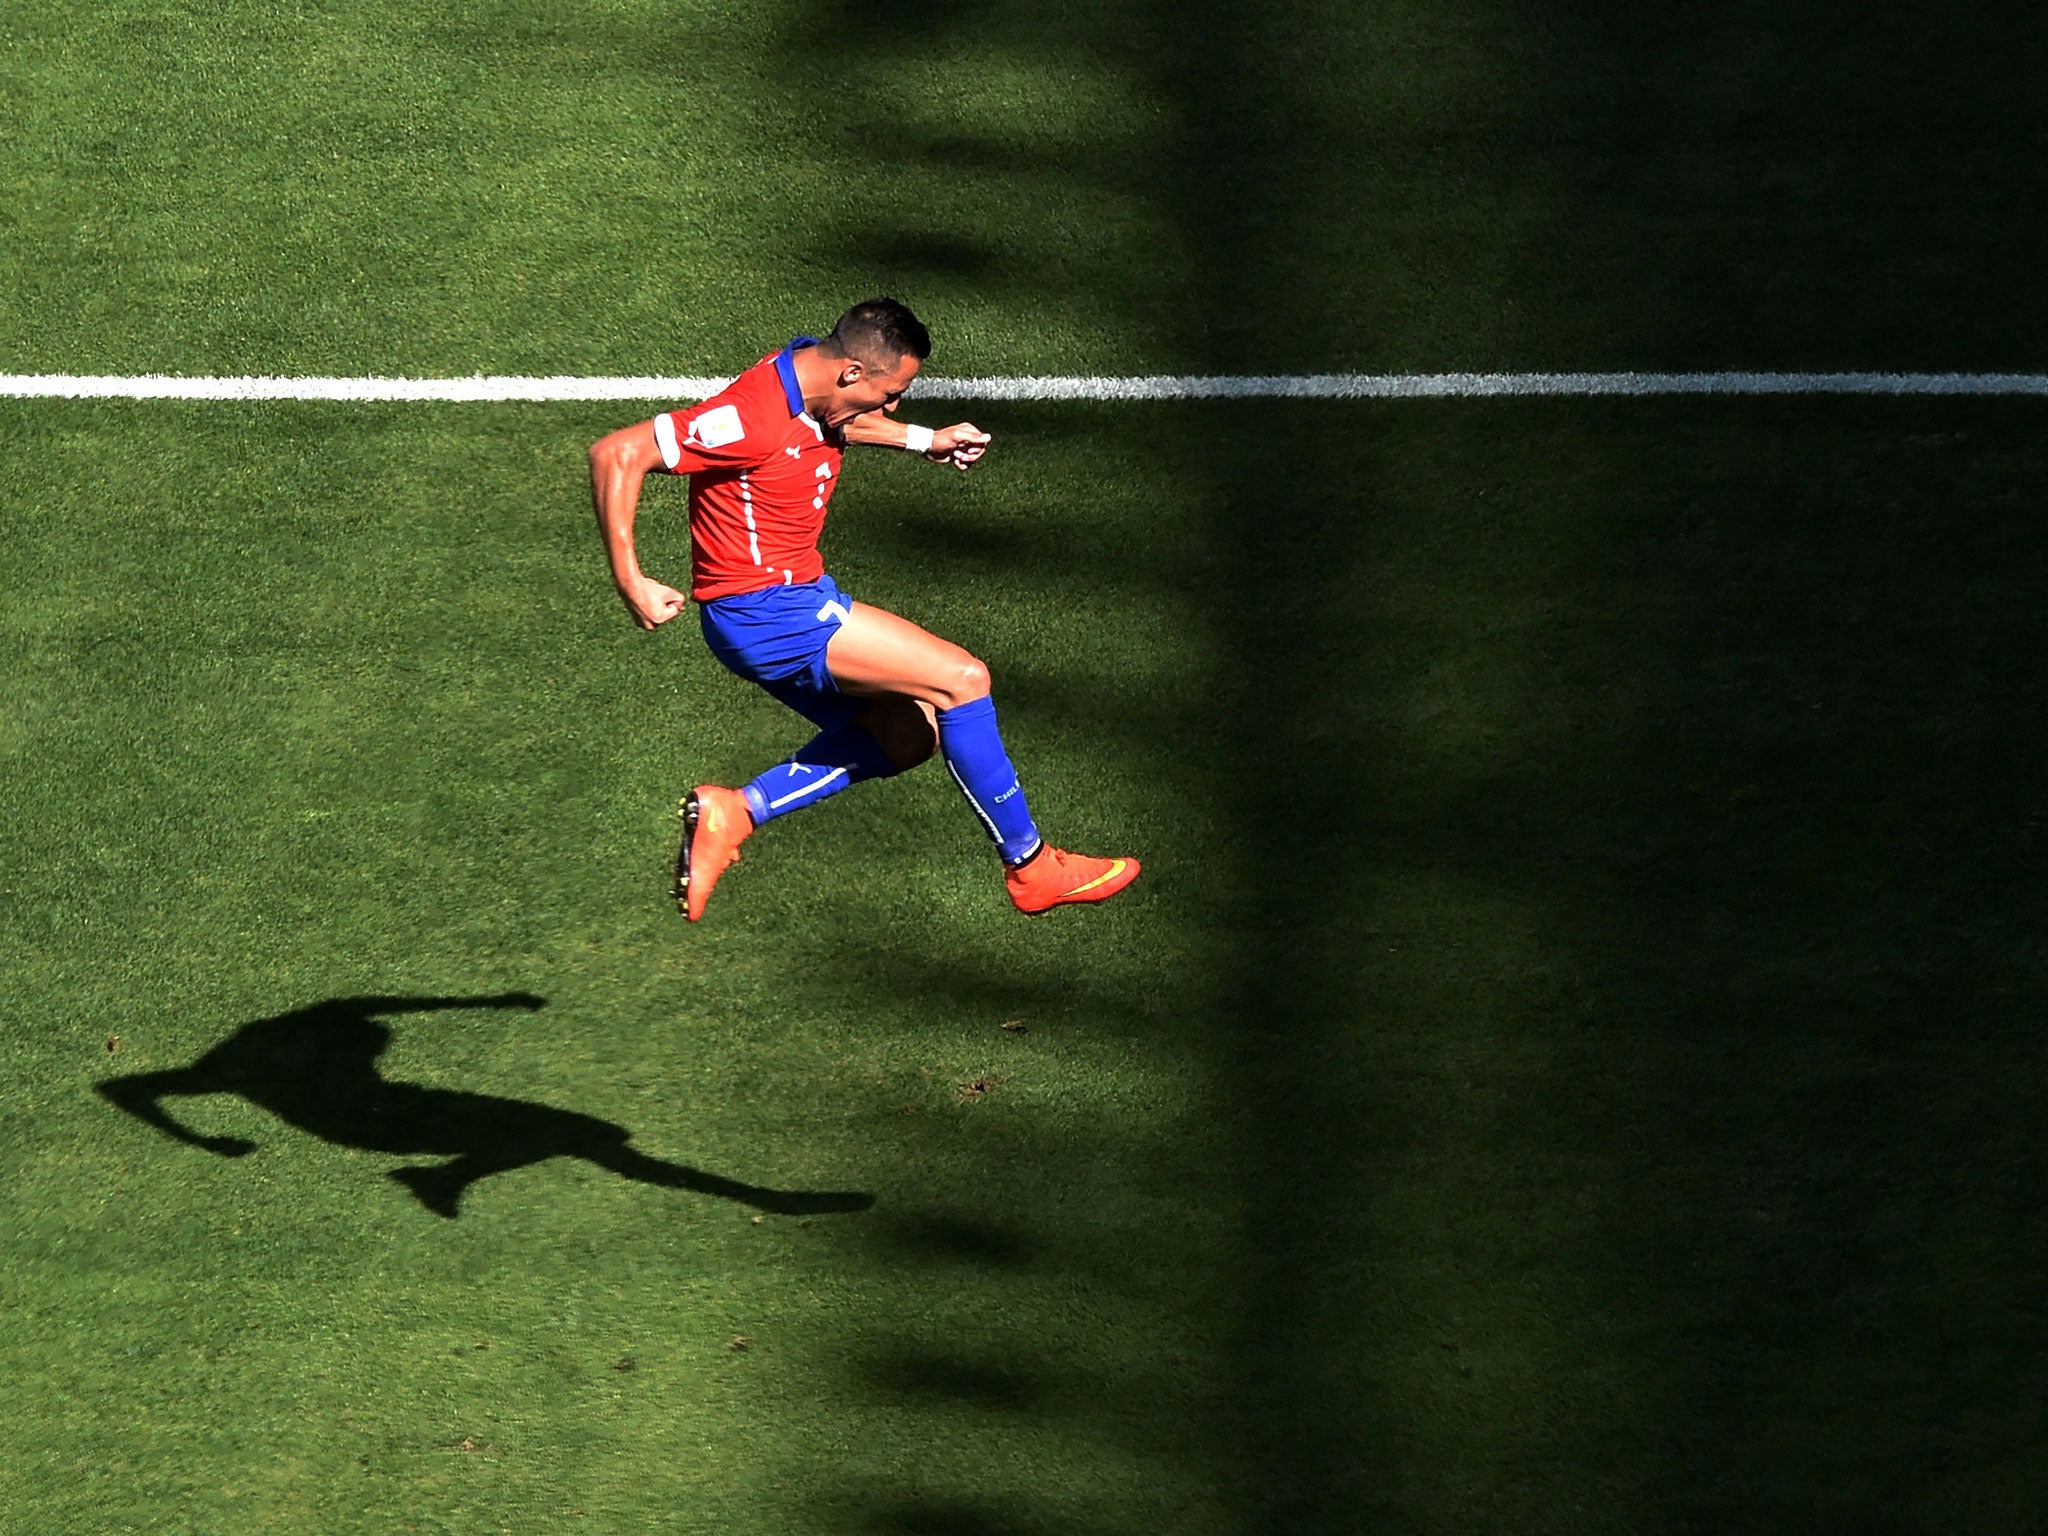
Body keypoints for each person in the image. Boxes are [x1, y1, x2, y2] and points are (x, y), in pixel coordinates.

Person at [588, 297, 1140, 922]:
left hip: (785, 602)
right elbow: (617, 453)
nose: (894, 405)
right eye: (892, 393)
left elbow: (835, 422)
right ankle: (1032, 867)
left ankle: (737, 811)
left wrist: (922, 438)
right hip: (767, 611)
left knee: (910, 734)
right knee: (963, 680)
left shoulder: (811, 376)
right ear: (851, 371)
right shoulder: (750, 417)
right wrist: (631, 579)